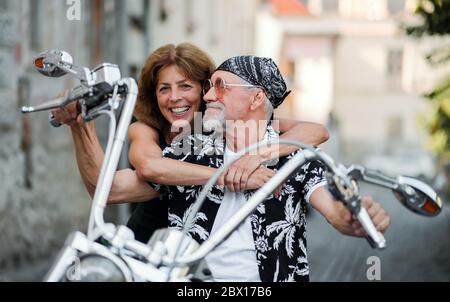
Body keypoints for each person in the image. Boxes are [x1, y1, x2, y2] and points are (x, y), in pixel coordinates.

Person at [142, 55, 390, 282]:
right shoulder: (190, 149)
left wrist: (352, 218)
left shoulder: (294, 156)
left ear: (257, 98)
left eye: (221, 86)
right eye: (209, 86)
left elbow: (332, 210)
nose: (207, 96)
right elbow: (124, 185)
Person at [52, 43, 330, 243]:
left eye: (185, 86)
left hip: (197, 263)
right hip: (147, 245)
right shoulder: (146, 130)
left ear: (206, 90)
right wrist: (79, 124)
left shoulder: (229, 131)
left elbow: (315, 131)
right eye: (164, 89)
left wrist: (255, 156)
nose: (174, 97)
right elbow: (122, 182)